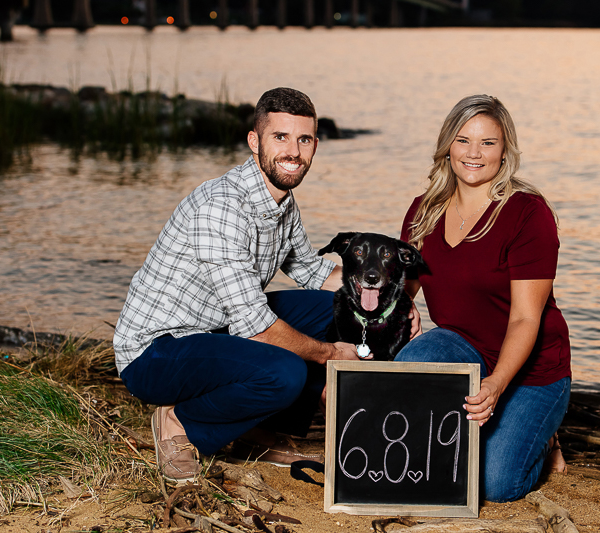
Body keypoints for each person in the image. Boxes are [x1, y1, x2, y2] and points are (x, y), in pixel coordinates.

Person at [113, 88, 417, 485]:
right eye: (280, 137)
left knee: (335, 308)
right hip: (156, 351)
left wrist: (390, 299)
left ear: (315, 145)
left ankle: (248, 429)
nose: (293, 151)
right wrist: (328, 354)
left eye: (303, 139)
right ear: (254, 141)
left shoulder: (282, 202)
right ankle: (178, 423)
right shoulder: (221, 207)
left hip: (214, 331)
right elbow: (255, 325)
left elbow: (312, 271)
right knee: (285, 371)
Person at [397, 94, 571, 502]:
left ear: (504, 150)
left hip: (533, 367)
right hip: (462, 345)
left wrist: (496, 384)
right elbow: (401, 290)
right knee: (409, 365)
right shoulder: (424, 211)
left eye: (488, 143)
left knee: (496, 484)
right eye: (463, 140)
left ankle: (546, 440)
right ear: (447, 147)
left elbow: (526, 319)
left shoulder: (528, 214)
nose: (474, 153)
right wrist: (402, 305)